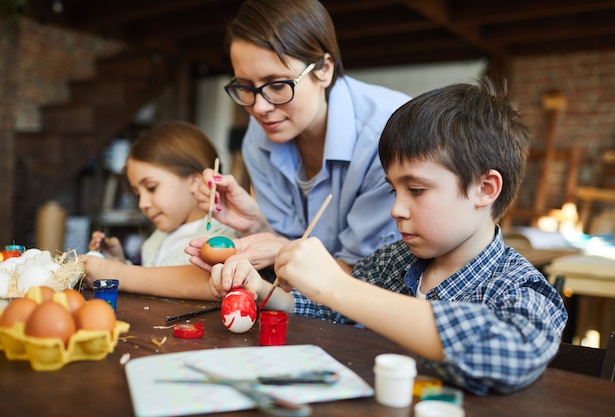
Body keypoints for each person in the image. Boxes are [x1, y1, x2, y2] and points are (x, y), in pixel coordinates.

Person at [206, 78, 568, 395]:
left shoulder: (519, 287)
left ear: (484, 189)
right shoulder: (393, 261)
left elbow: (509, 352)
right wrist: (268, 295)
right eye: (394, 191)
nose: (396, 209)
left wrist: (339, 286)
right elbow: (332, 311)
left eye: (417, 189)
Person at [186, 0, 410, 274]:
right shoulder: (259, 137)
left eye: (278, 85)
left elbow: (363, 274)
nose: (259, 108)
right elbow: (289, 246)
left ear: (324, 70)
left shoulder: (387, 136)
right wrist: (256, 225)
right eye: (245, 87)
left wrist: (280, 253)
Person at [79, 121, 236, 298]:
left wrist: (119, 273)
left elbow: (212, 283)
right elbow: (154, 284)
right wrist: (120, 263)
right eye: (138, 194)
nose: (142, 203)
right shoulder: (155, 241)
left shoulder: (222, 238)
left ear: (195, 181)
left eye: (151, 187)